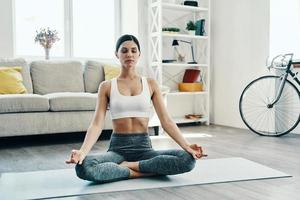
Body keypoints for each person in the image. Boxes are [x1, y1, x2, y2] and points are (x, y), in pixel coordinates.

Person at [66, 34, 207, 183]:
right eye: (124, 51)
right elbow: (96, 124)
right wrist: (82, 152)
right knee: (84, 167)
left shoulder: (151, 84)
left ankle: (128, 167)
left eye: (134, 51)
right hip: (117, 150)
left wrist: (187, 145)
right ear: (117, 54)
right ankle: (142, 172)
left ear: (139, 54)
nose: (129, 55)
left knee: (187, 159)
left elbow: (166, 121)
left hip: (144, 148)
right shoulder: (106, 86)